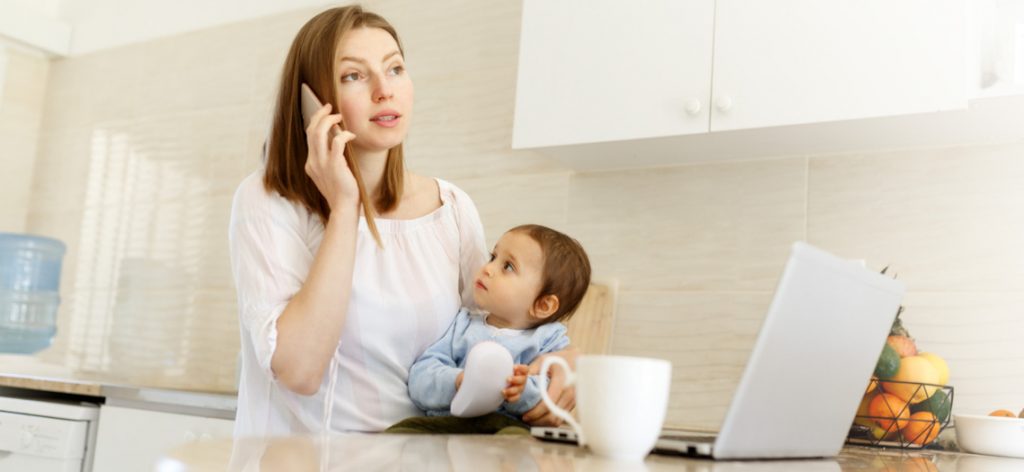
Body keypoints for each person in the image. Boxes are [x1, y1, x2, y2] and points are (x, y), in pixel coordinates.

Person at [227, 6, 576, 436]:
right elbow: (299, 371)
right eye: (353, 76)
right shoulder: (267, 201)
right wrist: (344, 208)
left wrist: (568, 361)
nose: (384, 91)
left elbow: (489, 333)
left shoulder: (452, 208)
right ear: (311, 102)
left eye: (394, 69)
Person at [386, 225, 592, 434]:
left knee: (515, 439)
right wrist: (457, 381)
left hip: (505, 428)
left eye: (508, 266)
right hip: (447, 425)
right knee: (402, 432)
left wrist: (519, 391)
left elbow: (554, 394)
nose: (488, 268)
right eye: (493, 257)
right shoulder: (463, 324)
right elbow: (421, 376)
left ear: (542, 306)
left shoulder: (549, 341)